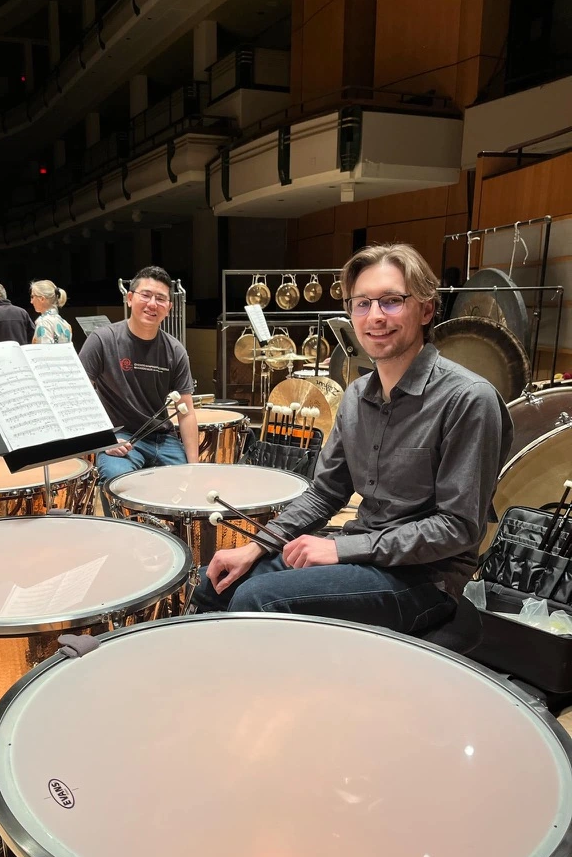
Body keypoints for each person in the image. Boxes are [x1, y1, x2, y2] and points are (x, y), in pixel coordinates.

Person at [194, 242, 514, 634]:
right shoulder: (357, 395)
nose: (375, 316)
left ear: (427, 310)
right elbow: (324, 494)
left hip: (426, 578)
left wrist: (339, 548)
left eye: (392, 301)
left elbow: (456, 527)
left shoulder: (469, 399)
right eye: (362, 304)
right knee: (213, 582)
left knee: (257, 598)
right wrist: (256, 546)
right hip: (363, 553)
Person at [79, 266, 199, 484]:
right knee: (118, 481)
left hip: (163, 438)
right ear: (130, 298)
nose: (152, 304)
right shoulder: (102, 340)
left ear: (169, 308)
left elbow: (186, 413)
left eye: (160, 299)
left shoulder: (175, 350)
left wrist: (194, 469)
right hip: (120, 436)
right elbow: (80, 396)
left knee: (184, 486)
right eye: (145, 295)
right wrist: (104, 439)